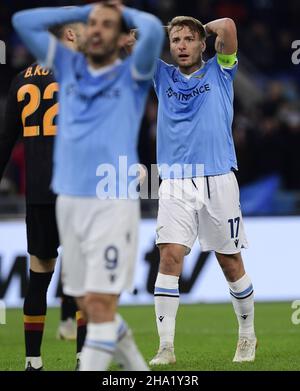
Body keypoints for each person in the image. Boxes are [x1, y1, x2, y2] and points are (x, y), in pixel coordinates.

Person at [12, 1, 164, 371]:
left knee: (98, 303)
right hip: (66, 202)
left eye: (105, 25)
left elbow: (155, 29)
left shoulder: (133, 73)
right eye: (91, 24)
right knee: (84, 301)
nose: (96, 29)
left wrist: (116, 12)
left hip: (109, 203)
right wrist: (85, 9)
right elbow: (22, 20)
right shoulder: (67, 67)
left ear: (119, 35)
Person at [149, 16, 256, 365]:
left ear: (203, 44)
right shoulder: (160, 75)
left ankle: (246, 336)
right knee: (169, 257)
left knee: (230, 262)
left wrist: (189, 26)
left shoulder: (220, 72)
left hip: (219, 179)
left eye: (188, 39)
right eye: (175, 39)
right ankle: (165, 347)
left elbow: (226, 24)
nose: (180, 45)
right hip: (176, 183)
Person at [0, 21, 87, 371]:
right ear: (68, 35)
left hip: (38, 194)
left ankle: (33, 362)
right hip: (78, 190)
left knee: (39, 273)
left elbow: (6, 141)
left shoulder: (21, 79)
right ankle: (84, 359)